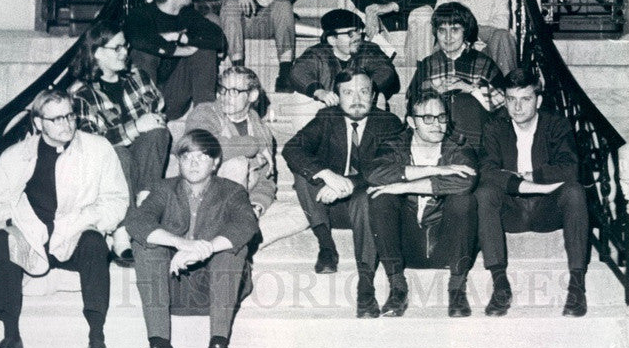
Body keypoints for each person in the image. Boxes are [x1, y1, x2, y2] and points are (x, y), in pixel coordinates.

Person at [0, 88, 128, 348]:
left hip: (74, 235)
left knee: (95, 244)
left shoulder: (98, 149)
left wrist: (91, 221)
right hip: (31, 240)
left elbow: (116, 199)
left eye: (70, 115)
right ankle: (10, 338)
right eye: (56, 119)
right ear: (38, 123)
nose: (67, 124)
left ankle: (97, 339)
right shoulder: (15, 155)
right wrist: (11, 226)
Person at [121, 129, 259, 348]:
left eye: (202, 156)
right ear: (178, 161)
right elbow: (138, 222)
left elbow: (245, 225)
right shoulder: (164, 189)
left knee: (230, 250)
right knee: (145, 244)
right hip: (173, 285)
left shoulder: (232, 191)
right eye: (186, 157)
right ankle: (159, 347)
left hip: (216, 287)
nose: (193, 163)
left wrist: (205, 248)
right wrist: (182, 244)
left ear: (216, 162)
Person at [282, 69, 403, 317]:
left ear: (374, 95)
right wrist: (326, 174)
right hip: (329, 206)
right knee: (305, 173)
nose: (356, 98)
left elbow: (386, 167)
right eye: (348, 92)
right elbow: (292, 149)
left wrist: (346, 183)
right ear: (337, 95)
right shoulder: (327, 117)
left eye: (364, 91)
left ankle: (365, 285)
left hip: (369, 211)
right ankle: (327, 247)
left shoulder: (389, 123)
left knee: (366, 197)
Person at [476, 67, 589, 317]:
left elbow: (569, 169)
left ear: (538, 100)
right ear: (504, 100)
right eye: (511, 100)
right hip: (512, 210)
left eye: (525, 99)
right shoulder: (495, 127)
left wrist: (531, 176)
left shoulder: (556, 125)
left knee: (574, 192)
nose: (517, 108)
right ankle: (500, 284)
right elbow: (487, 171)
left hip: (548, 209)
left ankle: (577, 286)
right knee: (484, 193)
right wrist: (520, 185)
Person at [367, 90, 478, 318]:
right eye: (427, 118)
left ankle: (457, 289)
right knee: (381, 198)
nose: (437, 124)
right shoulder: (394, 145)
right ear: (411, 122)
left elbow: (464, 182)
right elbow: (375, 173)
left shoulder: (459, 147)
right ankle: (398, 288)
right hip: (407, 245)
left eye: (441, 117)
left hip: (446, 245)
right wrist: (434, 170)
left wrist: (404, 185)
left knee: (463, 201)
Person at [71, 20, 170, 263]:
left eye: (125, 46)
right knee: (118, 153)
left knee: (158, 132)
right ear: (96, 53)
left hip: (143, 158)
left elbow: (158, 110)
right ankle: (123, 230)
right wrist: (134, 128)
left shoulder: (138, 76)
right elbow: (90, 142)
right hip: (109, 166)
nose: (125, 52)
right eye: (117, 48)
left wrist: (150, 123)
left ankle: (145, 201)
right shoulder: (82, 94)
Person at [124, 0, 227, 121]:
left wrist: (182, 38)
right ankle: (147, 114)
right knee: (144, 52)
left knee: (205, 48)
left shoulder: (188, 15)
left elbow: (219, 39)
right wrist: (174, 48)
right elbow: (137, 39)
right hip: (142, 98)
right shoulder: (141, 14)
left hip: (173, 98)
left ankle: (204, 117)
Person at [407, 2, 506, 154]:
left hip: (477, 139)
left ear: (465, 31)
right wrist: (434, 91)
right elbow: (412, 104)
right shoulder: (428, 64)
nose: (447, 37)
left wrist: (469, 88)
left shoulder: (483, 63)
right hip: (436, 140)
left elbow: (503, 105)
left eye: (454, 30)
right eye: (442, 30)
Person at [185, 66, 276, 221]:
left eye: (234, 91)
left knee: (301, 215)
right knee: (237, 164)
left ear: (252, 95)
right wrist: (253, 144)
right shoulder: (205, 112)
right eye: (223, 89)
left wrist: (257, 206)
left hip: (242, 201)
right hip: (202, 199)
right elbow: (204, 148)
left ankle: (240, 227)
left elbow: (266, 180)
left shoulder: (262, 130)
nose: (226, 97)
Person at [290, 9, 400, 107]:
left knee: (379, 97)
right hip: (328, 110)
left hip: (359, 107)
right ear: (332, 39)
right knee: (302, 98)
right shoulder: (316, 54)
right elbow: (298, 72)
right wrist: (320, 92)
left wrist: (363, 90)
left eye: (358, 31)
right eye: (350, 33)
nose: (357, 37)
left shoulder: (369, 50)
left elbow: (385, 71)